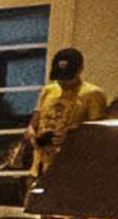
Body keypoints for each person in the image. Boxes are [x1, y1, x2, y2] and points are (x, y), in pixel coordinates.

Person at [24, 46, 109, 175]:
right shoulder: (48, 90)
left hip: (71, 167)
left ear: (80, 70)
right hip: (41, 164)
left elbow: (97, 134)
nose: (63, 82)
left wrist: (72, 136)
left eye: (67, 77)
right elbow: (36, 118)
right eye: (59, 77)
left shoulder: (92, 94)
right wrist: (31, 131)